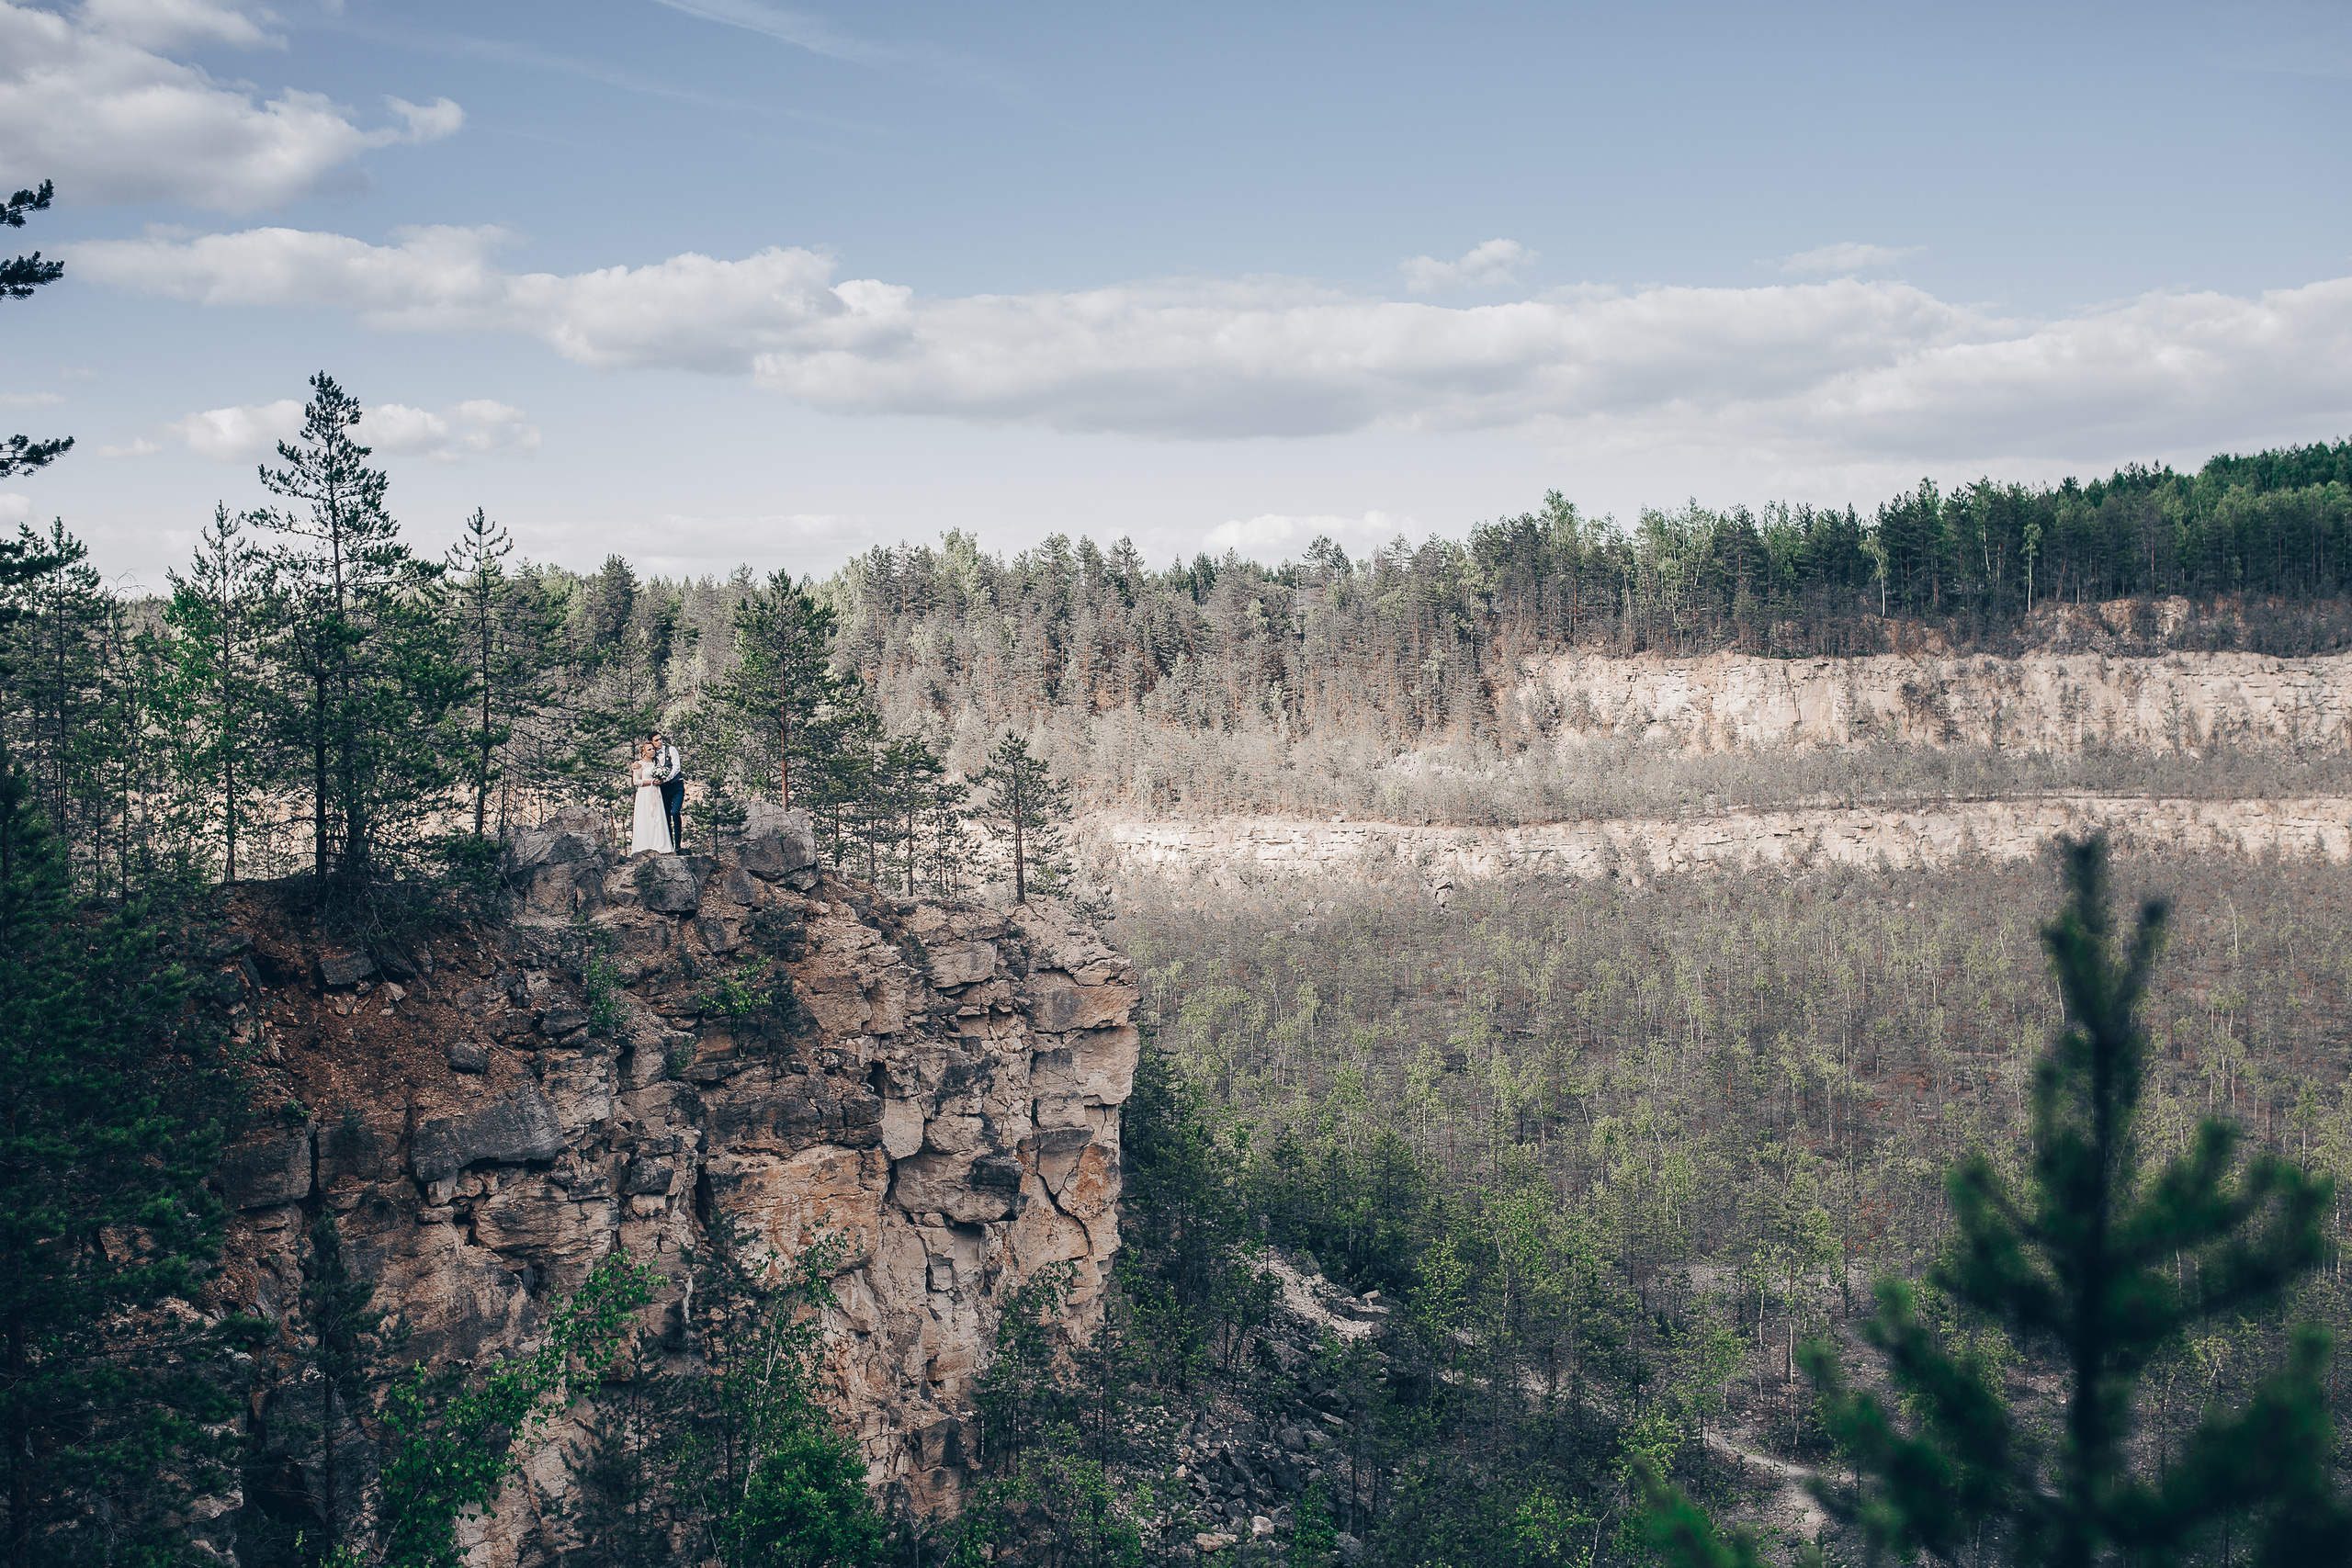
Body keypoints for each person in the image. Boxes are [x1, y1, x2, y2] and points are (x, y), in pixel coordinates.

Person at [628, 741, 673, 855]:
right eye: (649, 749)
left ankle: (659, 844)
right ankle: (644, 845)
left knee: (657, 817)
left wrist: (660, 780)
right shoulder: (639, 764)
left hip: (656, 793)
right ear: (643, 752)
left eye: (653, 749)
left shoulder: (657, 763)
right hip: (644, 793)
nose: (652, 751)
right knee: (645, 817)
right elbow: (636, 781)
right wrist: (651, 782)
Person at [651, 729, 685, 852]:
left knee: (675, 812)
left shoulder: (671, 750)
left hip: (676, 786)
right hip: (663, 789)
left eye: (660, 739)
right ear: (652, 742)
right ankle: (669, 844)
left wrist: (665, 779)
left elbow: (677, 767)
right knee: (665, 816)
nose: (660, 742)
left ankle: (678, 843)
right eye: (656, 740)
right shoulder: (652, 756)